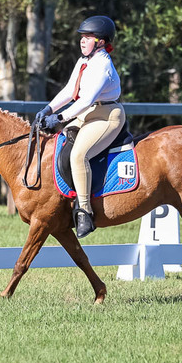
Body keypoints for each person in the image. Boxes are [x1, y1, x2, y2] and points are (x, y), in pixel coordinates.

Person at [35, 15, 124, 239]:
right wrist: (48, 109)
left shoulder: (102, 65)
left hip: (106, 116)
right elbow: (68, 91)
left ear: (101, 41)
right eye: (82, 36)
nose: (82, 40)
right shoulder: (84, 61)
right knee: (58, 143)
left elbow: (85, 100)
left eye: (88, 37)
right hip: (88, 113)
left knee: (78, 155)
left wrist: (60, 118)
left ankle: (84, 211)